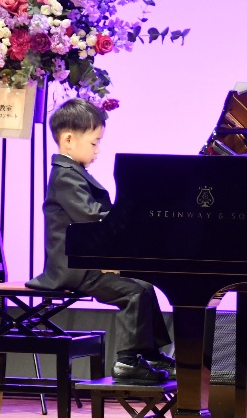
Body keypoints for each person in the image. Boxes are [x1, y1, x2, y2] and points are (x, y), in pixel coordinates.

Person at [26, 98, 174, 384]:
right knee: (134, 292)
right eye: (94, 143)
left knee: (144, 285)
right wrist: (131, 216)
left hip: (85, 262)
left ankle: (151, 354)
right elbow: (91, 215)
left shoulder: (73, 173)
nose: (97, 150)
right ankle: (127, 362)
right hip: (74, 268)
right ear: (69, 140)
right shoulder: (65, 176)